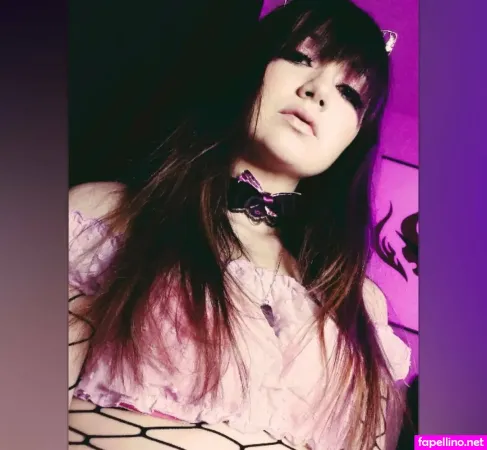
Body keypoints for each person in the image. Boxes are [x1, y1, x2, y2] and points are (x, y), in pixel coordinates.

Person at [68, 1, 411, 449]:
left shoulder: (358, 305)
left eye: (349, 93)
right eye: (300, 57)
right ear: (252, 65)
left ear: (355, 139)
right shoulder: (105, 215)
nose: (318, 91)